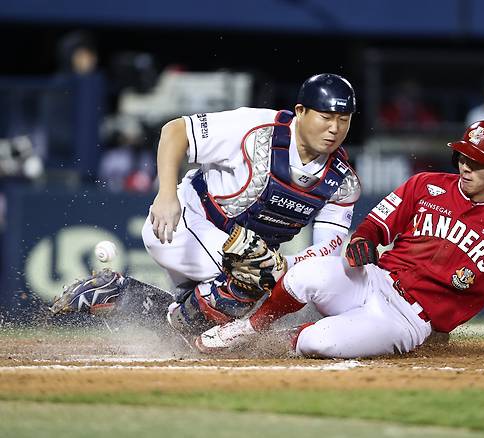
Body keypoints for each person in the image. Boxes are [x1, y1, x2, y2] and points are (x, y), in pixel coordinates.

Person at [197, 120, 484, 360]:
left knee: (318, 342)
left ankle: (284, 344)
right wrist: (363, 239)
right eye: (462, 157)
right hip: (374, 280)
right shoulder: (426, 184)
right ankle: (247, 328)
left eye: (478, 162)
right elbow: (375, 226)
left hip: (407, 321)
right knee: (307, 273)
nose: (465, 166)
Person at [51, 73, 361, 337]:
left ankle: (120, 294)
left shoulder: (342, 181)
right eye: (326, 116)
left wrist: (284, 267)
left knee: (223, 321)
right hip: (184, 225)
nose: (334, 128)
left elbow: (326, 253)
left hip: (239, 255)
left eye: (343, 119)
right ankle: (188, 316)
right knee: (255, 273)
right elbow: (175, 131)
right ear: (301, 111)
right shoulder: (257, 129)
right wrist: (165, 194)